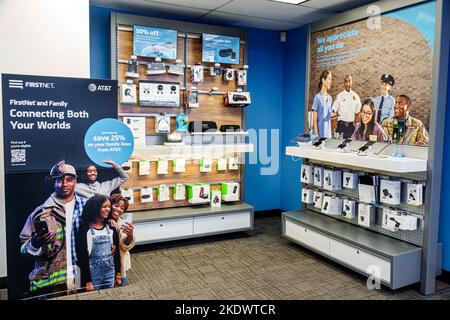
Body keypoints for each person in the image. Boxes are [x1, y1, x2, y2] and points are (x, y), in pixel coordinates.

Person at [19, 159, 87, 297]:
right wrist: (35, 242)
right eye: (59, 180)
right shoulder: (41, 212)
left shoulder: (87, 206)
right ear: (54, 183)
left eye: (69, 179)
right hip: (51, 281)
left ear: (75, 181)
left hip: (81, 275)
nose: (64, 184)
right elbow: (23, 248)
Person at [76, 194, 121, 291]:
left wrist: (118, 274)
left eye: (109, 207)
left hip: (110, 273)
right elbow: (82, 257)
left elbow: (117, 254)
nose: (108, 209)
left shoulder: (111, 228)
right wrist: (88, 281)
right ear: (95, 208)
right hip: (92, 276)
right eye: (104, 206)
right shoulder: (85, 230)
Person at [108, 194, 135, 286]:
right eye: (116, 205)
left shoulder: (122, 224)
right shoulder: (102, 221)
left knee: (120, 290)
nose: (119, 209)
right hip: (106, 264)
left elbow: (125, 246)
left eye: (122, 208)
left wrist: (130, 235)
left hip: (121, 265)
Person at [332, 74, 362, 139]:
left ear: (352, 82)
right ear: (344, 83)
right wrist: (335, 128)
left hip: (351, 128)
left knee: (351, 146)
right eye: (346, 81)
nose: (348, 83)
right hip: (340, 127)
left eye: (349, 81)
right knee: (339, 147)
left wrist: (357, 129)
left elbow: (357, 114)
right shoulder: (339, 96)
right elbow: (333, 112)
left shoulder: (356, 97)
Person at [312, 70, 333, 138]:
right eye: (329, 79)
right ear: (323, 80)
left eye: (331, 79)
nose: (331, 82)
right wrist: (317, 135)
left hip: (328, 136)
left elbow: (329, 117)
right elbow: (314, 120)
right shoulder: (317, 97)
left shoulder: (330, 98)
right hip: (320, 135)